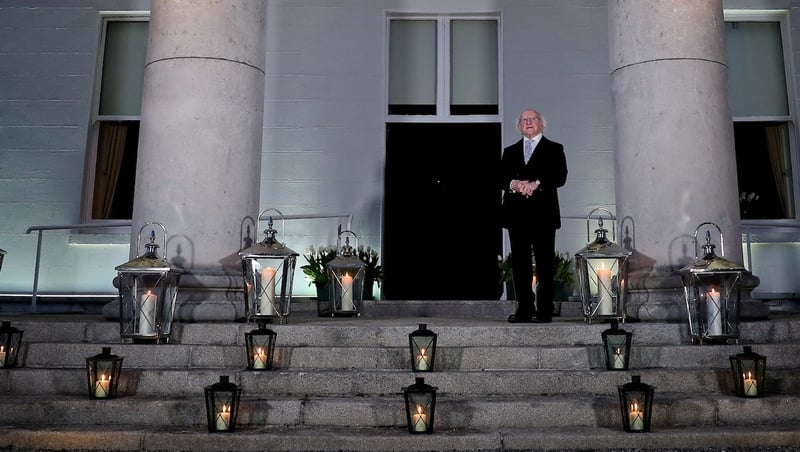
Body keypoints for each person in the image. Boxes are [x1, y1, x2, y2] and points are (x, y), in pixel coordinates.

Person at [500, 108, 568, 323]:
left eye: (532, 119)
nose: (528, 122)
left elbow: (560, 176)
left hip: (543, 214)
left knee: (545, 262)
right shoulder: (510, 151)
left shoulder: (554, 148)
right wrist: (515, 184)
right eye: (524, 120)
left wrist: (536, 183)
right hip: (516, 214)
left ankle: (545, 309)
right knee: (519, 263)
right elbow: (500, 177)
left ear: (541, 123)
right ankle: (525, 309)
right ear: (519, 126)